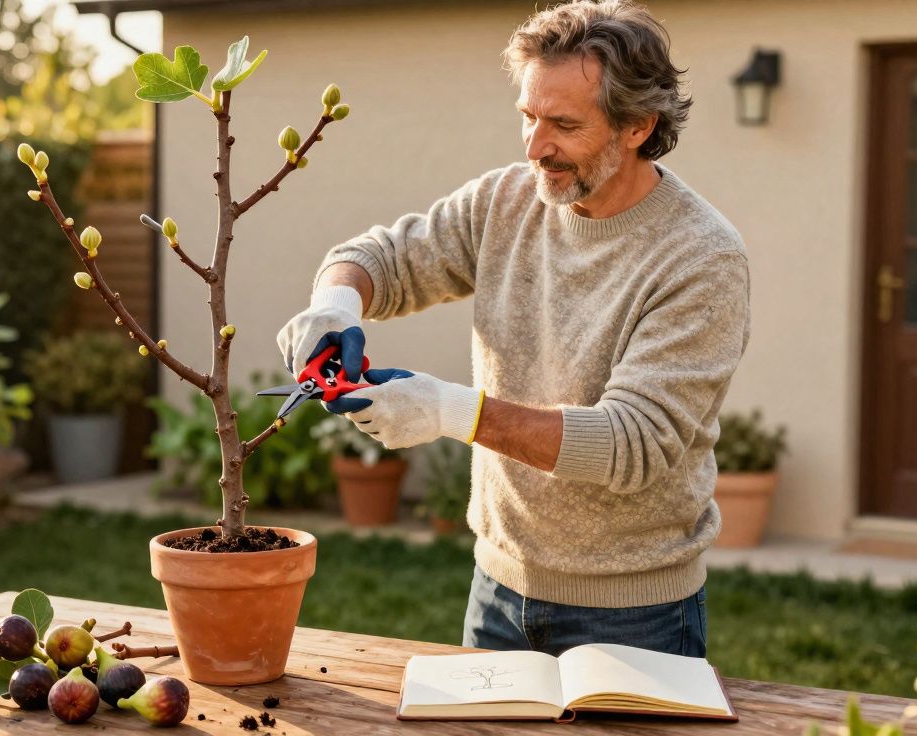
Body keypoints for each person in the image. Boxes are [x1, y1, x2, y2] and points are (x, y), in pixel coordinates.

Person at [275, 0, 750, 658]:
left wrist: (448, 410)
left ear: (639, 125)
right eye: (528, 116)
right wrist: (335, 305)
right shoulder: (507, 201)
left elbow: (633, 445)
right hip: (497, 590)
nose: (534, 147)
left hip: (635, 615)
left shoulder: (700, 256)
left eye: (562, 124)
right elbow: (384, 256)